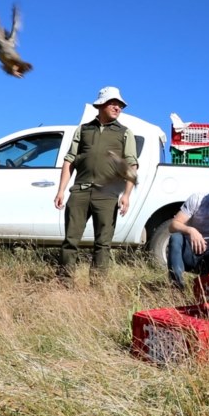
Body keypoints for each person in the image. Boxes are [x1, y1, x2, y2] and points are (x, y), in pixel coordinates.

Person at [55, 87, 138, 281]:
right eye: (113, 103)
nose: (118, 107)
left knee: (103, 243)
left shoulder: (125, 133)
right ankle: (64, 282)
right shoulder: (83, 129)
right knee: (70, 240)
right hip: (80, 192)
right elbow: (70, 160)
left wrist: (126, 195)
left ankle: (97, 286)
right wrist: (61, 191)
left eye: (120, 105)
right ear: (100, 104)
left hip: (108, 195)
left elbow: (131, 165)